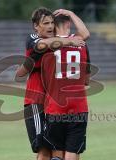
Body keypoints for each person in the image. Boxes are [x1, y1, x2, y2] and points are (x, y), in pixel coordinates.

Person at [16, 7, 88, 160]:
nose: (49, 26)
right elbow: (41, 46)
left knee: (57, 150)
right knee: (43, 150)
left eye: (51, 23)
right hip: (36, 102)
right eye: (45, 23)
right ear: (36, 26)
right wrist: (69, 40)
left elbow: (84, 36)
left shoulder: (57, 41)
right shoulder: (33, 38)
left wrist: (71, 17)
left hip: (53, 104)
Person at [41, 13, 91, 160]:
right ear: (69, 24)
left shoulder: (48, 45)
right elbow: (87, 80)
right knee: (73, 151)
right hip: (78, 106)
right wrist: (70, 13)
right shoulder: (81, 43)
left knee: (57, 152)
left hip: (55, 106)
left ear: (53, 26)